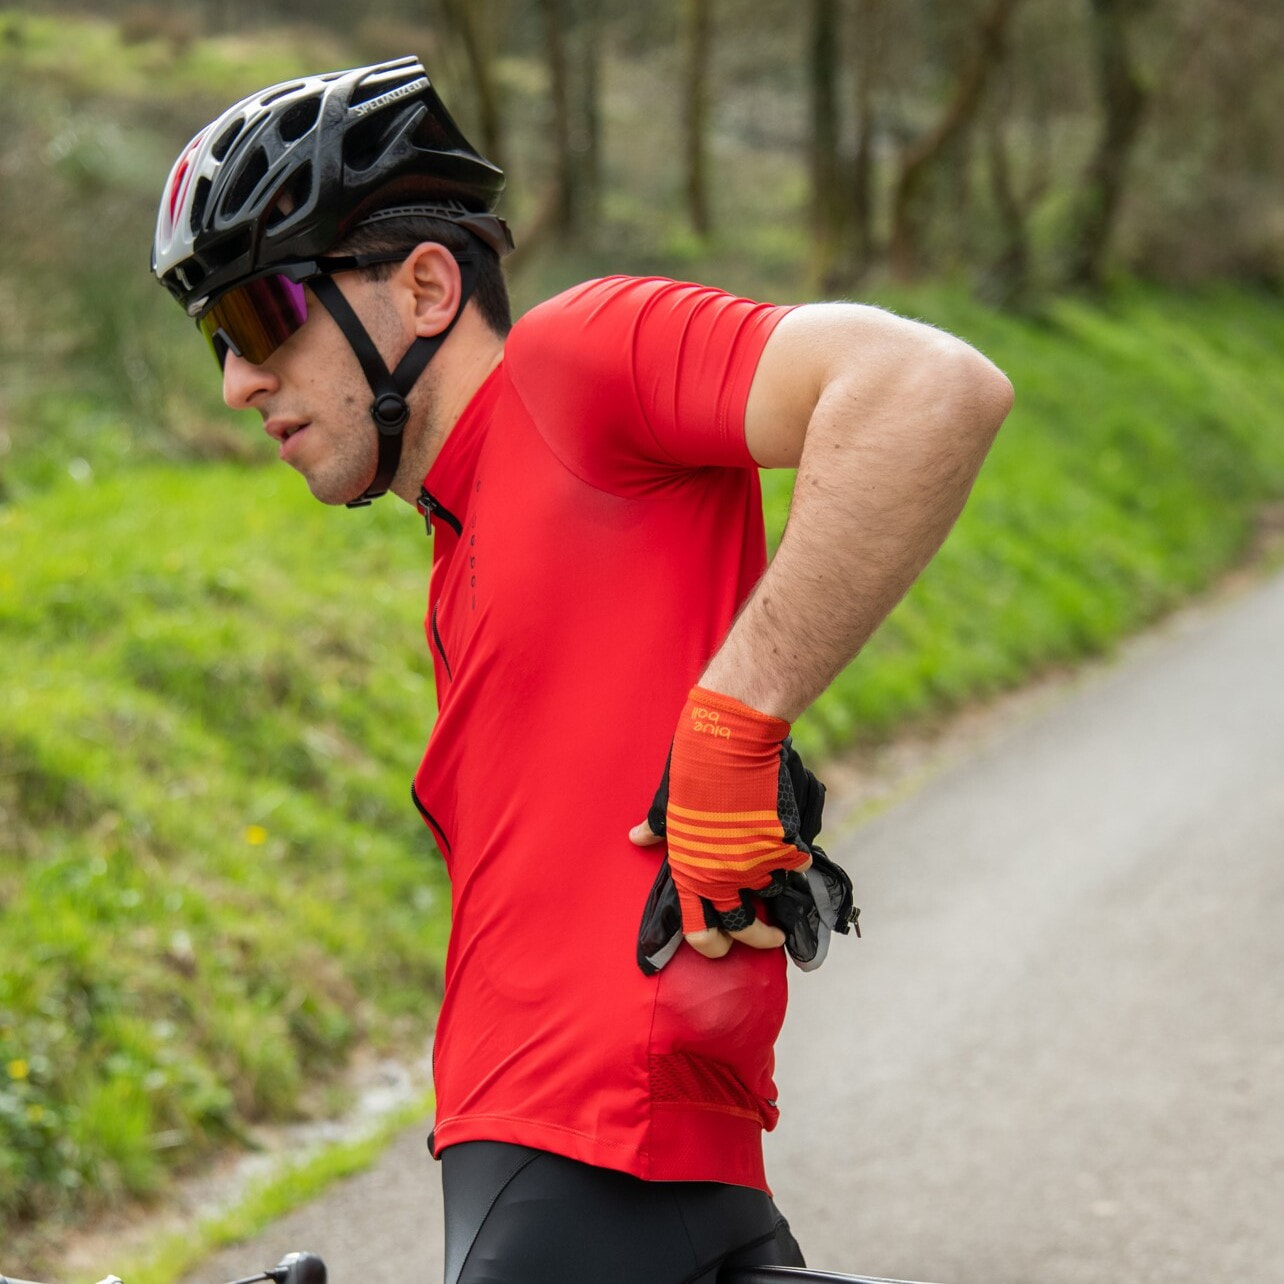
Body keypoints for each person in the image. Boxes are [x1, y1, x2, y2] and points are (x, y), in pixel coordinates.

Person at [152, 57, 1012, 1284]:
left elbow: (930, 387)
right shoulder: (458, 541)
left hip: (586, 1157)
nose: (238, 383)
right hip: (609, 1165)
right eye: (214, 341)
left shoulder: (576, 360)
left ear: (428, 286)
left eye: (258, 320)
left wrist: (736, 719)